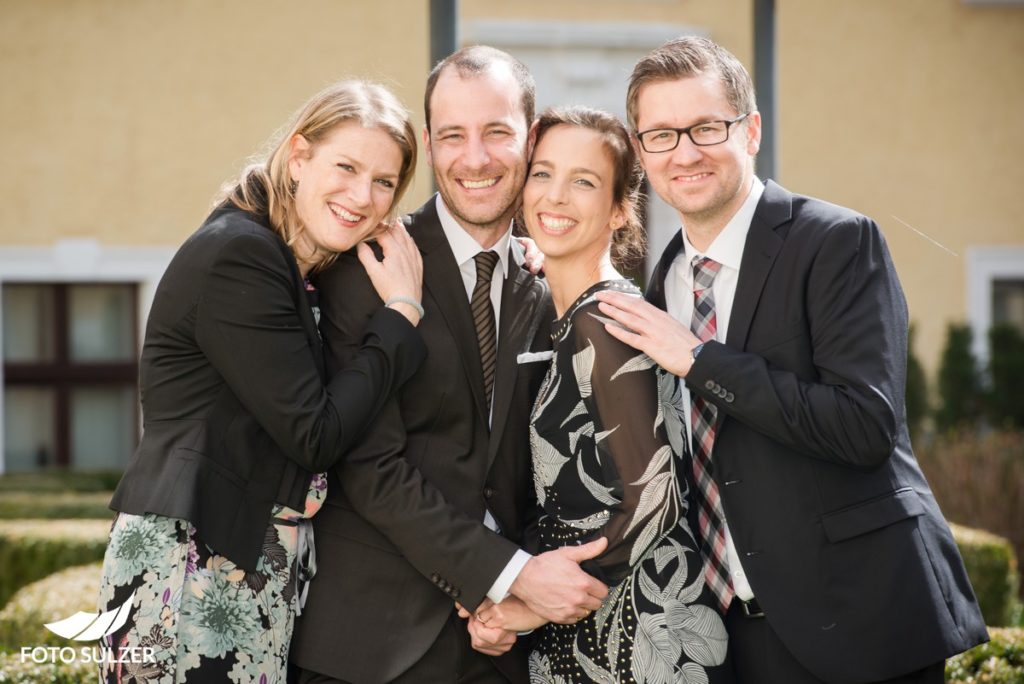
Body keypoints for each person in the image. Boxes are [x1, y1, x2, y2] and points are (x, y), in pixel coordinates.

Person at [594, 36, 988, 684]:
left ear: (749, 131)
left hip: (859, 622)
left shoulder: (835, 242)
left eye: (705, 128)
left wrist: (700, 360)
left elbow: (865, 426)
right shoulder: (662, 281)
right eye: (661, 134)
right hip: (732, 633)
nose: (684, 152)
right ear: (641, 152)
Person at [290, 47, 609, 684]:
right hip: (371, 645)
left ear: (531, 137)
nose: (476, 158)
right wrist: (505, 575)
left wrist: (518, 601)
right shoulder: (368, 267)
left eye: (497, 132)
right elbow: (369, 468)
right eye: (453, 136)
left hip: (506, 644)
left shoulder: (547, 281)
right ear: (430, 145)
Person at [97, 79, 427, 684]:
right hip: (193, 569)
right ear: (299, 155)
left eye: (384, 182)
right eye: (346, 167)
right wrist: (402, 314)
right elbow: (315, 433)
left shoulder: (292, 263)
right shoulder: (240, 256)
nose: (363, 196)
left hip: (243, 564)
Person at [465, 106, 732, 683]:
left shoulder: (606, 323)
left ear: (617, 211)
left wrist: (528, 605)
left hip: (639, 636)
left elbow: (651, 496)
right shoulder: (566, 317)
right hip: (586, 624)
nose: (555, 197)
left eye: (583, 181)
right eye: (542, 173)